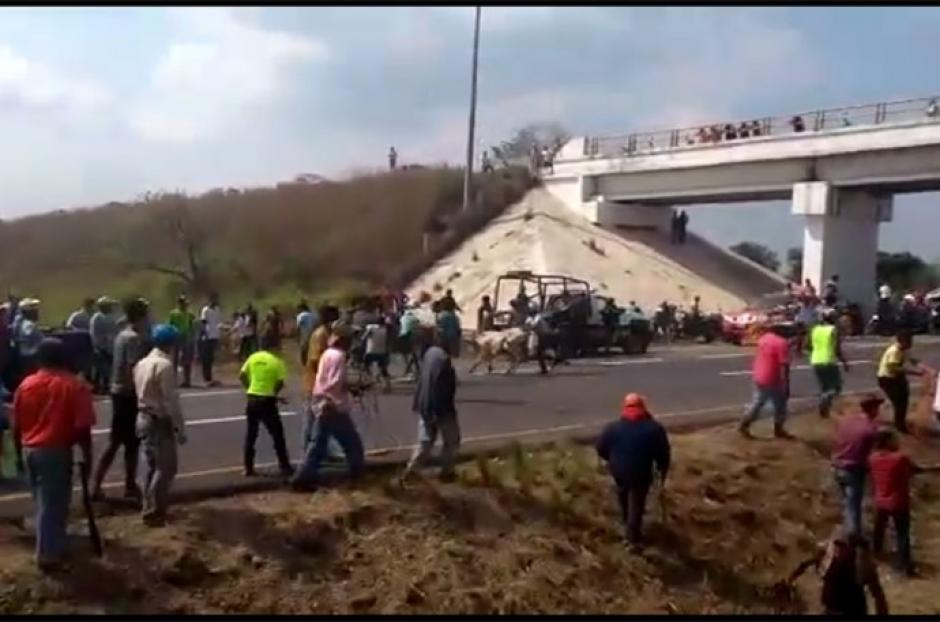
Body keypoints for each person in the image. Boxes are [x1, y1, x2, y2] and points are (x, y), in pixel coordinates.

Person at [12, 338, 95, 572]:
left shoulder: (26, 384)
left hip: (30, 449)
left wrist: (18, 456)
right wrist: (87, 457)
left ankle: (53, 543)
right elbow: (82, 428)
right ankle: (48, 555)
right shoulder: (73, 385)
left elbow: (16, 425)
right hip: (55, 450)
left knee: (43, 501)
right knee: (54, 504)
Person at [292, 329, 365, 490]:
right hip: (332, 404)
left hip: (321, 400)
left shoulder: (327, 353)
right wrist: (351, 387)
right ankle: (357, 474)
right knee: (352, 443)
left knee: (318, 443)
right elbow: (334, 383)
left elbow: (328, 379)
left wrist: (349, 388)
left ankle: (302, 477)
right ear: (343, 340)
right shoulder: (339, 356)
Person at [91, 297, 150, 501]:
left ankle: (117, 484)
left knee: (122, 442)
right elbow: (134, 367)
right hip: (127, 393)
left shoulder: (121, 335)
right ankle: (122, 485)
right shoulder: (133, 338)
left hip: (119, 392)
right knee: (124, 443)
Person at [596, 393, 671, 549]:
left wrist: (612, 460)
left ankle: (626, 524)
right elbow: (663, 454)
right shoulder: (654, 428)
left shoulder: (613, 428)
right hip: (641, 471)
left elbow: (601, 448)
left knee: (623, 494)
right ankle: (633, 538)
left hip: (618, 470)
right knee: (636, 502)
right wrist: (662, 473)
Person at [134, 325, 186, 526]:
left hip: (143, 416)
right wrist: (179, 428)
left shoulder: (142, 363)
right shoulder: (164, 366)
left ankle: (148, 507)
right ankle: (154, 511)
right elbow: (170, 401)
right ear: (169, 344)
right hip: (158, 419)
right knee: (166, 467)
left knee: (150, 465)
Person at [400, 331, 459, 484]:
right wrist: (436, 409)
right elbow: (438, 385)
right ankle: (447, 472)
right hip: (440, 407)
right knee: (452, 440)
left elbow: (424, 383)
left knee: (425, 441)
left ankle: (411, 472)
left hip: (426, 405)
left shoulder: (429, 355)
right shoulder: (442, 359)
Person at [786, 528, 888, 615]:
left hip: (833, 607)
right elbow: (877, 594)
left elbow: (804, 564)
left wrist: (790, 579)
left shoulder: (828, 553)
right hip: (854, 609)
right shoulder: (861, 560)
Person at [868, 428, 926, 577]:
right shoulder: (900, 458)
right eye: (894, 439)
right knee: (902, 534)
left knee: (879, 529)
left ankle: (876, 553)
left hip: (880, 500)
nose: (897, 442)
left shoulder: (872, 458)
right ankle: (904, 565)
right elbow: (915, 470)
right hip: (898, 501)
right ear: (887, 441)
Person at [240, 333, 293, 479]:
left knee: (251, 434)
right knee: (277, 435)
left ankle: (248, 468)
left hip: (252, 398)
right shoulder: (276, 361)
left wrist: (249, 388)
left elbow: (242, 375)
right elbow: (280, 382)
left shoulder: (253, 357)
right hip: (267, 400)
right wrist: (273, 393)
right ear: (273, 347)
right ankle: (285, 466)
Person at [739, 324, 792, 439]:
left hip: (759, 375)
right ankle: (778, 429)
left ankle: (745, 423)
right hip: (773, 378)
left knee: (758, 402)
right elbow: (784, 365)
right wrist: (786, 383)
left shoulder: (764, 339)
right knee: (780, 405)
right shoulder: (781, 343)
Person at [876, 330, 922, 434]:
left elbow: (911, 359)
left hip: (896, 378)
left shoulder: (903, 349)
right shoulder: (895, 351)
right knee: (899, 402)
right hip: (887, 379)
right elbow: (893, 367)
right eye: (909, 341)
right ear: (902, 341)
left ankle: (900, 423)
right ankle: (899, 426)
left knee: (904, 399)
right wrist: (915, 373)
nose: (911, 343)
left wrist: (922, 367)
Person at [809, 309, 849, 418]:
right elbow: (837, 349)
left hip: (816, 360)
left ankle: (825, 410)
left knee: (824, 387)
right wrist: (844, 362)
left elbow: (809, 346)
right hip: (829, 360)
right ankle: (825, 401)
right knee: (836, 387)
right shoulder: (833, 330)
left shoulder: (815, 329)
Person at [13, 298, 44, 389]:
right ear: (28, 312)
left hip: (25, 356)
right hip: (31, 357)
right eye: (34, 309)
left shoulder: (21, 323)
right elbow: (39, 340)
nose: (37, 312)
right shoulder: (29, 325)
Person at [89, 296, 118, 395]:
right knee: (100, 369)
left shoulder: (110, 316)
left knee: (107, 369)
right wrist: (99, 346)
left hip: (110, 347)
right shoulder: (97, 318)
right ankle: (97, 387)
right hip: (101, 348)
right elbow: (95, 334)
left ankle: (105, 387)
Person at [167, 295, 196, 388]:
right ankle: (173, 381)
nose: (184, 304)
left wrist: (192, 335)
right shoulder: (173, 313)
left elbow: (191, 325)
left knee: (187, 360)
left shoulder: (189, 314)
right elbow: (170, 325)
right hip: (176, 336)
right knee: (174, 359)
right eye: (182, 302)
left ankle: (187, 381)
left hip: (186, 337)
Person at [198, 293, 222, 387]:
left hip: (214, 335)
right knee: (206, 358)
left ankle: (210, 377)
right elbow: (203, 322)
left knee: (211, 358)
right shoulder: (206, 310)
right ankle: (206, 378)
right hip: (207, 336)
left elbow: (218, 322)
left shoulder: (217, 309)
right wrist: (204, 334)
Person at [362, 316, 392, 392]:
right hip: (382, 351)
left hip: (371, 350)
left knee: (365, 365)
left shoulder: (371, 328)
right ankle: (387, 385)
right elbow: (388, 341)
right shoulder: (385, 330)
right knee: (383, 369)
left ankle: (369, 380)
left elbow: (363, 337)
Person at [296, 301, 316, 366]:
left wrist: (297, 337)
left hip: (304, 334)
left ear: (301, 308)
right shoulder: (312, 315)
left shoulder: (301, 315)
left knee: (303, 351)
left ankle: (304, 365)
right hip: (313, 334)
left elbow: (298, 327)